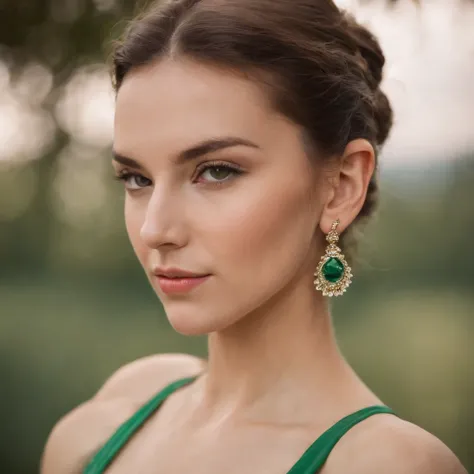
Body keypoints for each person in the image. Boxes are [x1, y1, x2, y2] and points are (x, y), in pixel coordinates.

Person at [41, 0, 467, 473]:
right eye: (136, 178)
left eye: (217, 171)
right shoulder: (106, 423)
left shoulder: (390, 464)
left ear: (341, 187)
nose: (155, 229)